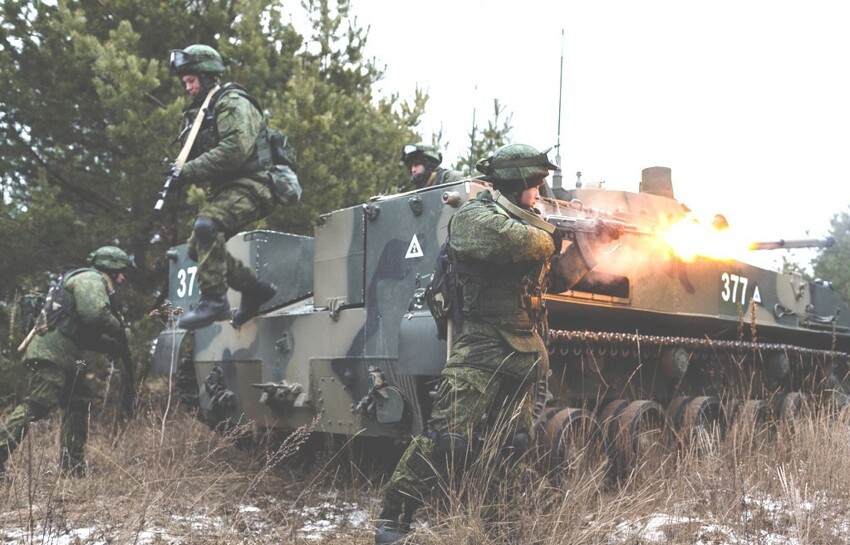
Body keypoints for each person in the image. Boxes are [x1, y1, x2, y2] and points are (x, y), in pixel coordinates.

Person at [375, 143, 589, 543]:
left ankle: (500, 526)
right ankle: (394, 520)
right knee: (446, 438)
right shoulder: (478, 215)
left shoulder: (530, 220)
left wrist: (591, 249)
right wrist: (552, 234)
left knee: (511, 445)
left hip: (524, 349)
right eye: (535, 186)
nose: (539, 194)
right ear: (515, 184)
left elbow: (553, 280)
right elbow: (510, 242)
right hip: (481, 346)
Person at [168, 44, 278, 329]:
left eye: (191, 81)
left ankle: (214, 301)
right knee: (197, 248)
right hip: (230, 188)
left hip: (257, 184)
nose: (188, 88)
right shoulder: (203, 112)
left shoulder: (232, 102)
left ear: (206, 77)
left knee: (207, 226)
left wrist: (187, 171)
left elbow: (234, 150)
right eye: (185, 83)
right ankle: (253, 289)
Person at [0, 246, 135, 477]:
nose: (122, 278)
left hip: (65, 354)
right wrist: (120, 330)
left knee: (79, 402)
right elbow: (95, 315)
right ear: (109, 267)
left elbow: (82, 332)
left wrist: (112, 345)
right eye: (120, 271)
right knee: (38, 404)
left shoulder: (88, 281)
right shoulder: (90, 278)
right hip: (51, 353)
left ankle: (72, 467)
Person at [398, 142, 465, 191]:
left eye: (416, 164)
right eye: (411, 167)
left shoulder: (451, 179)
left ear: (429, 163)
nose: (413, 170)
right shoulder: (413, 188)